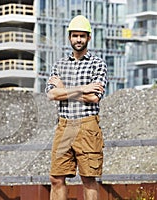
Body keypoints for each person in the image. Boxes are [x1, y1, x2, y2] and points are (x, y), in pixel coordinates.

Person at [45, 15, 108, 200]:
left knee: (88, 178)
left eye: (82, 36)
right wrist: (81, 88)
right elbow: (51, 94)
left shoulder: (98, 64)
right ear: (69, 37)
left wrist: (64, 90)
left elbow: (94, 97)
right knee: (56, 177)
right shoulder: (59, 65)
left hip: (87, 127)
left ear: (89, 37)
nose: (78, 39)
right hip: (64, 126)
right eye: (75, 35)